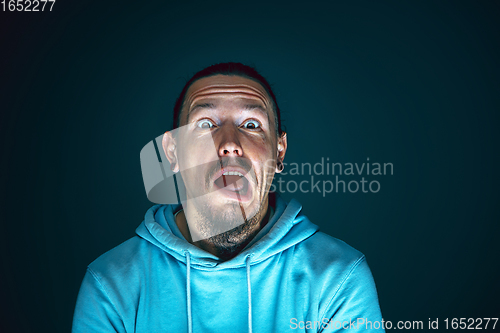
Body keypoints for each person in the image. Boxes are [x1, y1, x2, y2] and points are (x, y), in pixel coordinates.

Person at [72, 62, 385, 332]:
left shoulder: (340, 277)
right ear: (172, 153)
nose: (229, 143)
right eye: (206, 125)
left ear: (279, 152)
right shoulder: (110, 285)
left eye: (251, 125)